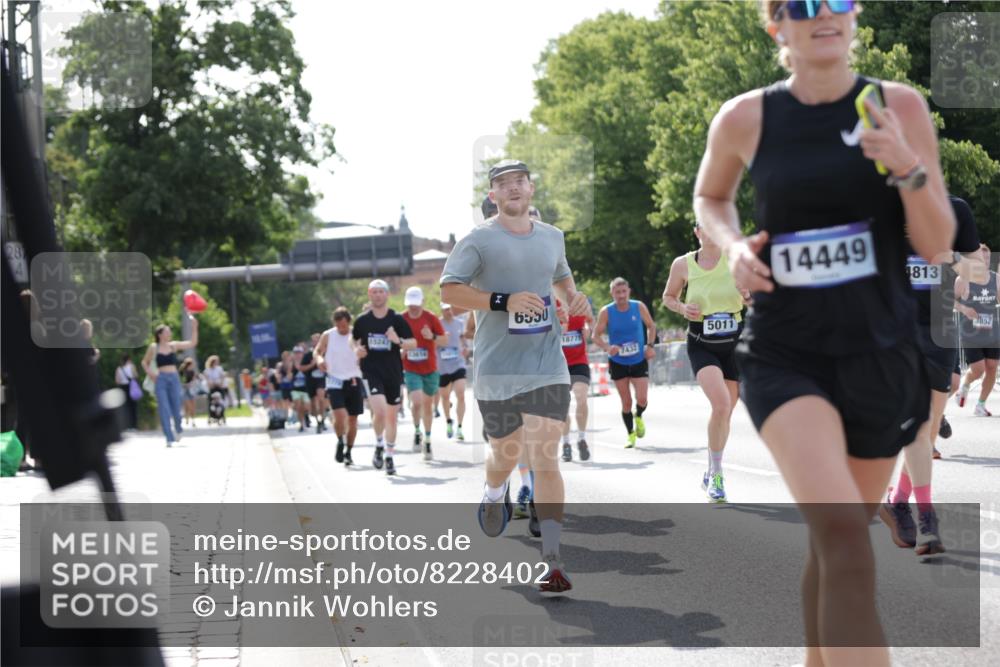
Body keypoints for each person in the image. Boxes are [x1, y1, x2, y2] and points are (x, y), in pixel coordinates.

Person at [694, 2, 955, 663]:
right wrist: (731, 247)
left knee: (833, 541)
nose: (824, 13)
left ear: (856, 11)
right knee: (844, 541)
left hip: (879, 353)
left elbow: (937, 242)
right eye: (802, 5)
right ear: (776, 24)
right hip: (787, 353)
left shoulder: (898, 107)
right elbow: (711, 196)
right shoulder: (747, 117)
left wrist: (906, 167)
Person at [441, 158, 591, 593]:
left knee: (546, 456)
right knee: (505, 455)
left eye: (519, 182)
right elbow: (450, 291)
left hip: (547, 365)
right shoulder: (478, 240)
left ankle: (553, 559)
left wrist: (573, 298)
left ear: (531, 189)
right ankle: (493, 492)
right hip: (497, 369)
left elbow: (561, 275)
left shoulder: (552, 237)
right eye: (502, 184)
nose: (512, 189)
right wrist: (503, 300)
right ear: (492, 196)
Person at [879, 196, 983, 554]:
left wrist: (955, 264)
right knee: (917, 428)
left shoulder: (956, 211)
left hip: (938, 330)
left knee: (927, 427)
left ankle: (898, 499)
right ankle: (926, 521)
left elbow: (976, 268)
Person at [662, 222, 749, 502]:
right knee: (721, 404)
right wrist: (682, 307)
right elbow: (668, 297)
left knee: (725, 414)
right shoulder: (683, 264)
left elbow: (757, 297)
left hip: (735, 342)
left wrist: (748, 295)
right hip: (702, 344)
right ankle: (717, 474)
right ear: (697, 232)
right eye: (705, 226)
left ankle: (710, 467)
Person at [353, 279, 417, 476]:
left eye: (381, 292)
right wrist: (357, 349)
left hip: (393, 373)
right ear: (369, 295)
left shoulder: (396, 319)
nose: (378, 295)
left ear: (387, 295)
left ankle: (388, 454)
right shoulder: (362, 321)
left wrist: (397, 340)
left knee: (391, 417)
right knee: (379, 411)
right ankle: (379, 442)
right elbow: (354, 340)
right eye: (374, 292)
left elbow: (413, 343)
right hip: (372, 371)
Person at [592, 277, 657, 448]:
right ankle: (630, 435)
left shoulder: (638, 307)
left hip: (638, 359)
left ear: (628, 291)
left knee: (642, 399)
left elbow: (651, 326)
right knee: (626, 402)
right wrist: (607, 347)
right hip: (618, 361)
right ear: (612, 293)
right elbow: (595, 335)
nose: (621, 295)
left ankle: (639, 415)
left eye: (623, 291)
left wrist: (649, 345)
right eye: (617, 292)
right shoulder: (607, 311)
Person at [401, 286, 448, 460]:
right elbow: (394, 341)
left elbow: (445, 340)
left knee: (427, 405)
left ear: (422, 302)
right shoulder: (401, 319)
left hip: (430, 368)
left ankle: (427, 440)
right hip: (411, 368)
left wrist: (432, 337)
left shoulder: (431, 318)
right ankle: (416, 430)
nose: (413, 307)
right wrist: (400, 348)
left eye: (416, 304)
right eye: (410, 304)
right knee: (417, 402)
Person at [316, 307, 366, 466]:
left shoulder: (357, 335)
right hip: (334, 379)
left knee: (352, 420)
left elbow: (365, 352)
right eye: (338, 326)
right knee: (339, 415)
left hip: (353, 379)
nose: (341, 329)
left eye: (344, 326)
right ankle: (339, 440)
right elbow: (317, 351)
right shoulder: (328, 335)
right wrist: (319, 360)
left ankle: (349, 451)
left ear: (348, 323)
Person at [954, 243, 999, 417]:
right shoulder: (963, 279)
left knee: (993, 366)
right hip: (970, 332)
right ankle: (965, 386)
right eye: (982, 258)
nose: (985, 261)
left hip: (992, 330)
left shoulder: (995, 278)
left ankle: (980, 404)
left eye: (988, 258)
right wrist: (965, 309)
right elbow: (949, 299)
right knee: (978, 369)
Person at [142, 313, 199, 446]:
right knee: (164, 408)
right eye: (167, 331)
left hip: (174, 379)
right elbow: (144, 362)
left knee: (177, 406)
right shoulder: (153, 347)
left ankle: (178, 429)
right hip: (160, 379)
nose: (169, 333)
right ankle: (169, 438)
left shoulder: (173, 345)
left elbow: (192, 343)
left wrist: (194, 327)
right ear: (160, 334)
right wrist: (151, 374)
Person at [556, 298, 592, 463]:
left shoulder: (578, 303)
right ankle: (566, 443)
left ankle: (582, 439)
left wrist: (586, 329)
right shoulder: (550, 301)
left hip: (579, 362)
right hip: (558, 363)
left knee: (581, 397)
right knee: (562, 405)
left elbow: (589, 321)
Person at [437, 303, 470, 442]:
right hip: (442, 366)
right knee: (445, 397)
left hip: (458, 363)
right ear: (442, 311)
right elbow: (431, 342)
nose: (448, 312)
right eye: (445, 310)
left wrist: (466, 348)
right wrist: (440, 339)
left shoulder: (460, 323)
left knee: (461, 394)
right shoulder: (437, 324)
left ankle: (460, 427)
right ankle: (449, 421)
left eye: (450, 309)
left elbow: (464, 340)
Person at [300, 333, 329, 433]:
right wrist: (312, 365)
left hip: (322, 380)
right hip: (311, 380)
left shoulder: (326, 353)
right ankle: (318, 421)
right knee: (313, 402)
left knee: (321, 397)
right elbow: (301, 368)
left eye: (318, 340)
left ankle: (323, 420)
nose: (316, 342)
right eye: (314, 340)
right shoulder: (308, 355)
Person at [115, 354, 140, 430]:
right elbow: (136, 375)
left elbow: (117, 381)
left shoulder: (119, 369)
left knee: (125, 407)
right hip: (131, 387)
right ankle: (134, 426)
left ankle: (126, 426)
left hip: (123, 388)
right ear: (129, 360)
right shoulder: (132, 366)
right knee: (133, 407)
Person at [179, 357, 201, 428]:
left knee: (193, 406)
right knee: (187, 406)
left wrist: (192, 383)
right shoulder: (182, 371)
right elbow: (180, 380)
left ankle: (193, 420)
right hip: (184, 390)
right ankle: (187, 418)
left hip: (191, 390)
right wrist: (185, 385)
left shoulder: (192, 372)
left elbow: (195, 380)